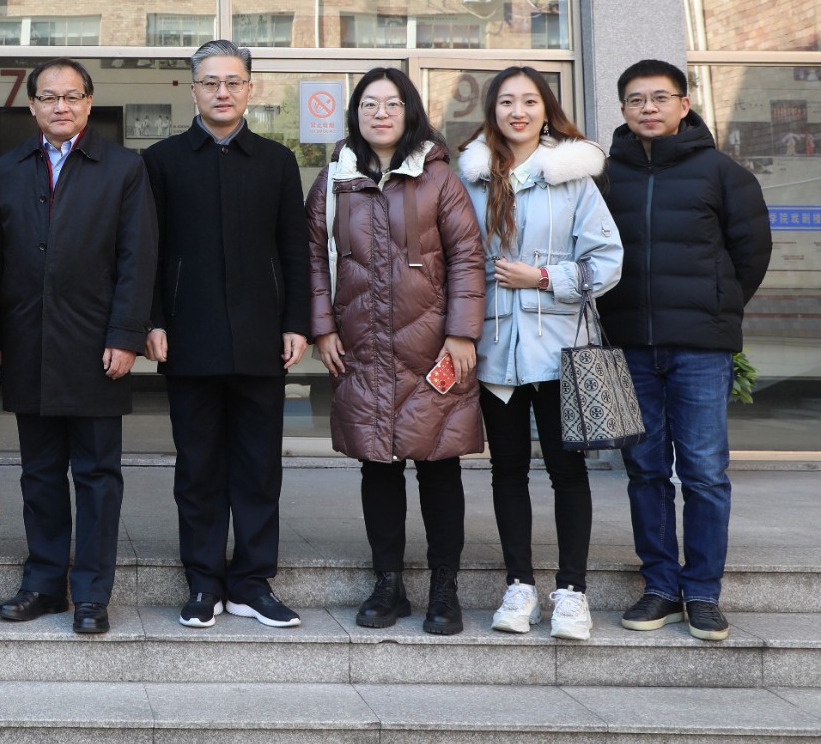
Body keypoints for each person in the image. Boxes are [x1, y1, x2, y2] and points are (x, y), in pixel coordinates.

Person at [305, 66, 485, 636]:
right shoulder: (335, 179)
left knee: (438, 466)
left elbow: (468, 257)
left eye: (391, 104)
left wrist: (462, 332)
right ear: (355, 114)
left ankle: (444, 588)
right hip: (362, 345)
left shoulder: (439, 178)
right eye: (368, 104)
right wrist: (322, 328)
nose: (379, 114)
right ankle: (388, 584)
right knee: (377, 466)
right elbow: (312, 257)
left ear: (410, 112)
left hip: (432, 345)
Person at [600, 59, 771, 643]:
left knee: (703, 472)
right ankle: (660, 586)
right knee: (645, 470)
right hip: (629, 345)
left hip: (700, 347)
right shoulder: (605, 177)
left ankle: (702, 592)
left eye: (659, 98)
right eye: (635, 100)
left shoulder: (722, 173)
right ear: (623, 109)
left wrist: (717, 306)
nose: (647, 108)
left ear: (684, 103)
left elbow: (752, 254)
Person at [142, 40, 311, 629]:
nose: (222, 92)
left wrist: (296, 322)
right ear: (192, 90)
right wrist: (152, 320)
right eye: (211, 82)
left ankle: (252, 583)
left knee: (259, 467)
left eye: (233, 82)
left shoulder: (276, 161)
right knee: (198, 468)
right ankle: (203, 582)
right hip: (187, 336)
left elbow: (295, 249)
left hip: (262, 338)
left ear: (249, 89)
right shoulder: (161, 160)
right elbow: (147, 251)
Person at [0, 58, 157, 635]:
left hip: (97, 347)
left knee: (97, 476)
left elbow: (137, 257)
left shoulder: (123, 167)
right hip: (27, 342)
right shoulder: (8, 169)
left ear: (89, 102)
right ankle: (43, 584)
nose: (61, 106)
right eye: (49, 97)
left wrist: (126, 336)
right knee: (38, 474)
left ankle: (91, 594)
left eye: (72, 96)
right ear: (32, 104)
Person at [457, 67, 622, 642]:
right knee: (506, 472)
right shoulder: (471, 181)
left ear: (546, 111)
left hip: (559, 351)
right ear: (493, 112)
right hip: (495, 349)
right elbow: (456, 262)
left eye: (529, 101)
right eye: (506, 102)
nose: (518, 111)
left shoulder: (573, 179)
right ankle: (519, 586)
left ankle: (572, 593)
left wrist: (544, 277)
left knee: (567, 471)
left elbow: (607, 261)